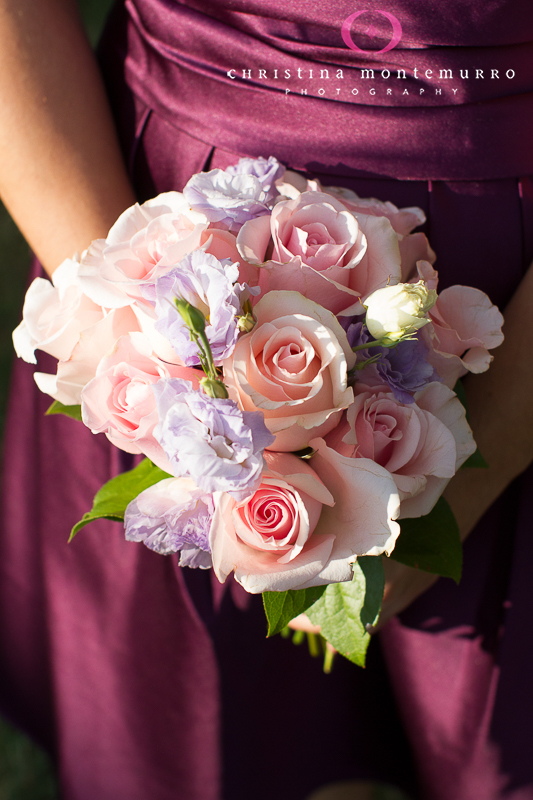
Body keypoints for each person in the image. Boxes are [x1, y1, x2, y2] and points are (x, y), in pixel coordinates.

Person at [0, 1, 532, 798]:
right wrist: (141, 340)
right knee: (194, 739)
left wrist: (474, 460)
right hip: (157, 232)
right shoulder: (149, 331)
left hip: (507, 280)